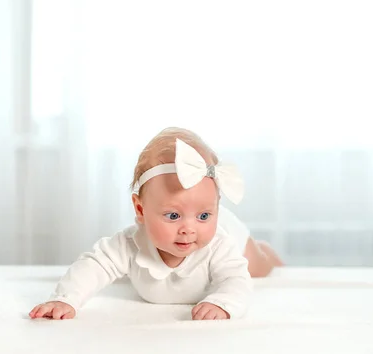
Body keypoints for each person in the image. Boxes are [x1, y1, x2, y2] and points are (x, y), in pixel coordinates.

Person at [29, 127, 283, 321]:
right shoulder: (129, 244)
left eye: (203, 215)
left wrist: (222, 303)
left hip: (228, 229)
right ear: (140, 209)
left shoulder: (218, 243)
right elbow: (94, 266)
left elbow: (236, 280)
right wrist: (66, 300)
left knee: (257, 266)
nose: (188, 228)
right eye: (173, 216)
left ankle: (267, 251)